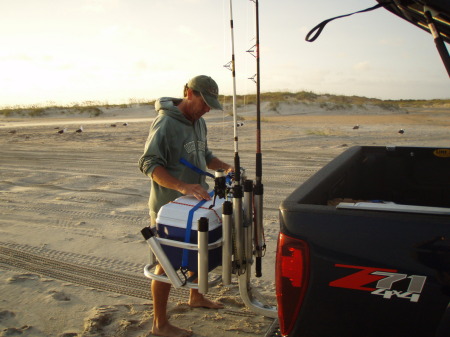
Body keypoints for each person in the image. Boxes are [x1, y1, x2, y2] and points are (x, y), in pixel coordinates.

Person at [139, 75, 233, 337]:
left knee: (198, 252)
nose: (207, 109)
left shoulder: (199, 122)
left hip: (194, 206)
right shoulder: (166, 122)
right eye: (204, 102)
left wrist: (225, 167)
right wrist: (182, 186)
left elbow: (205, 155)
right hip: (168, 209)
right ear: (188, 93)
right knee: (165, 265)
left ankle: (196, 297)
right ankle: (160, 324)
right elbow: (148, 164)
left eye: (211, 104)